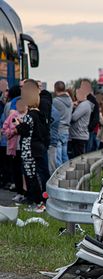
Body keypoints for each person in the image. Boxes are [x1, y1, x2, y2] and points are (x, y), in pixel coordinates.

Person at [16, 80, 44, 211]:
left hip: (28, 150)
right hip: (36, 149)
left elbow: (24, 131)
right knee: (34, 176)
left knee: (30, 176)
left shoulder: (29, 116)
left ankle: (36, 202)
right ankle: (39, 202)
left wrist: (18, 124)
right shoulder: (38, 114)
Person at [3, 99, 27, 202]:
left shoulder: (29, 116)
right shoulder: (13, 116)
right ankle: (19, 192)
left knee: (25, 171)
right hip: (14, 148)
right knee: (16, 170)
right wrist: (12, 131)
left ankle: (26, 192)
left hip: (25, 148)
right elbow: (5, 128)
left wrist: (20, 129)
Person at [52, 81, 72, 166]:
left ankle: (59, 177)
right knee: (64, 155)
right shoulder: (70, 100)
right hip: (66, 130)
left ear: (55, 89)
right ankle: (67, 172)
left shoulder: (55, 101)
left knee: (58, 156)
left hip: (58, 129)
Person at [69, 87, 93, 157]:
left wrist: (70, 108)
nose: (76, 96)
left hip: (79, 136)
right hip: (79, 135)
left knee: (77, 158)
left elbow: (73, 118)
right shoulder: (83, 104)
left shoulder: (84, 105)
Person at [80, 79, 100, 152]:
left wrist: (89, 128)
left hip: (88, 131)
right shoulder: (80, 98)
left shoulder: (93, 101)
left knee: (87, 150)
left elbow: (96, 118)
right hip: (79, 132)